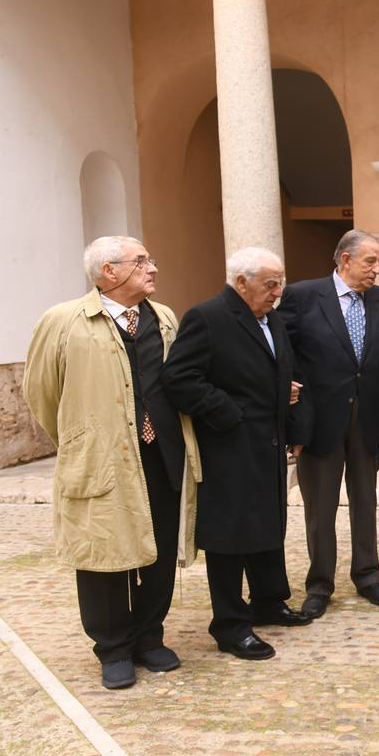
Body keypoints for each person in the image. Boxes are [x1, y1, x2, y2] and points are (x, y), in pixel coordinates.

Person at [22, 236, 198, 689]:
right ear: (109, 271)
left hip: (162, 454)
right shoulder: (63, 321)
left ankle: (149, 637)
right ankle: (113, 647)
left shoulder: (164, 318)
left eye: (150, 260)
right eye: (142, 261)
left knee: (158, 550)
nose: (153, 268)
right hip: (102, 459)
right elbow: (41, 392)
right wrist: (78, 439)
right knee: (103, 553)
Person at [164, 247, 313, 660]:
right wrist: (229, 412)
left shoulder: (272, 320)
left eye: (280, 282)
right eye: (270, 284)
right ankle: (230, 625)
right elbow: (179, 379)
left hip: (268, 446)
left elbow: (284, 375)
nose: (278, 291)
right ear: (241, 282)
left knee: (267, 525)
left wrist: (292, 422)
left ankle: (268, 600)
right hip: (229, 448)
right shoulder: (208, 317)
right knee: (230, 538)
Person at [276, 230, 379, 619]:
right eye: (370, 261)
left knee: (366, 502)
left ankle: (367, 575)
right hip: (320, 422)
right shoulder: (303, 296)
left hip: (367, 421)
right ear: (344, 260)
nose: (377, 269)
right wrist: (294, 424)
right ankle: (320, 585)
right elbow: (286, 361)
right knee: (320, 509)